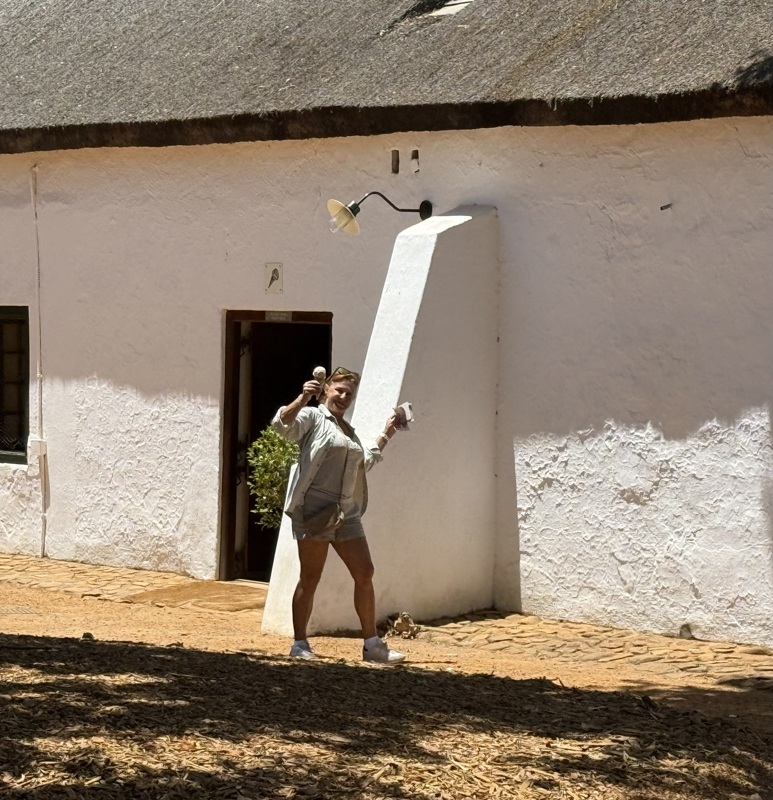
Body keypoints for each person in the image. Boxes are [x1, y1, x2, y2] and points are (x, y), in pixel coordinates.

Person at [272, 367, 404, 664]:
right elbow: (281, 425)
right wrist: (302, 398)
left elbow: (364, 461)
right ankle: (300, 643)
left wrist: (387, 433)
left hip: (346, 512)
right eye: (339, 390)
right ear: (326, 389)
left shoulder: (348, 430)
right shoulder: (313, 417)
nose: (344, 397)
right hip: (315, 509)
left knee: (365, 572)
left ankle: (372, 646)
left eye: (349, 394)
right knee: (310, 576)